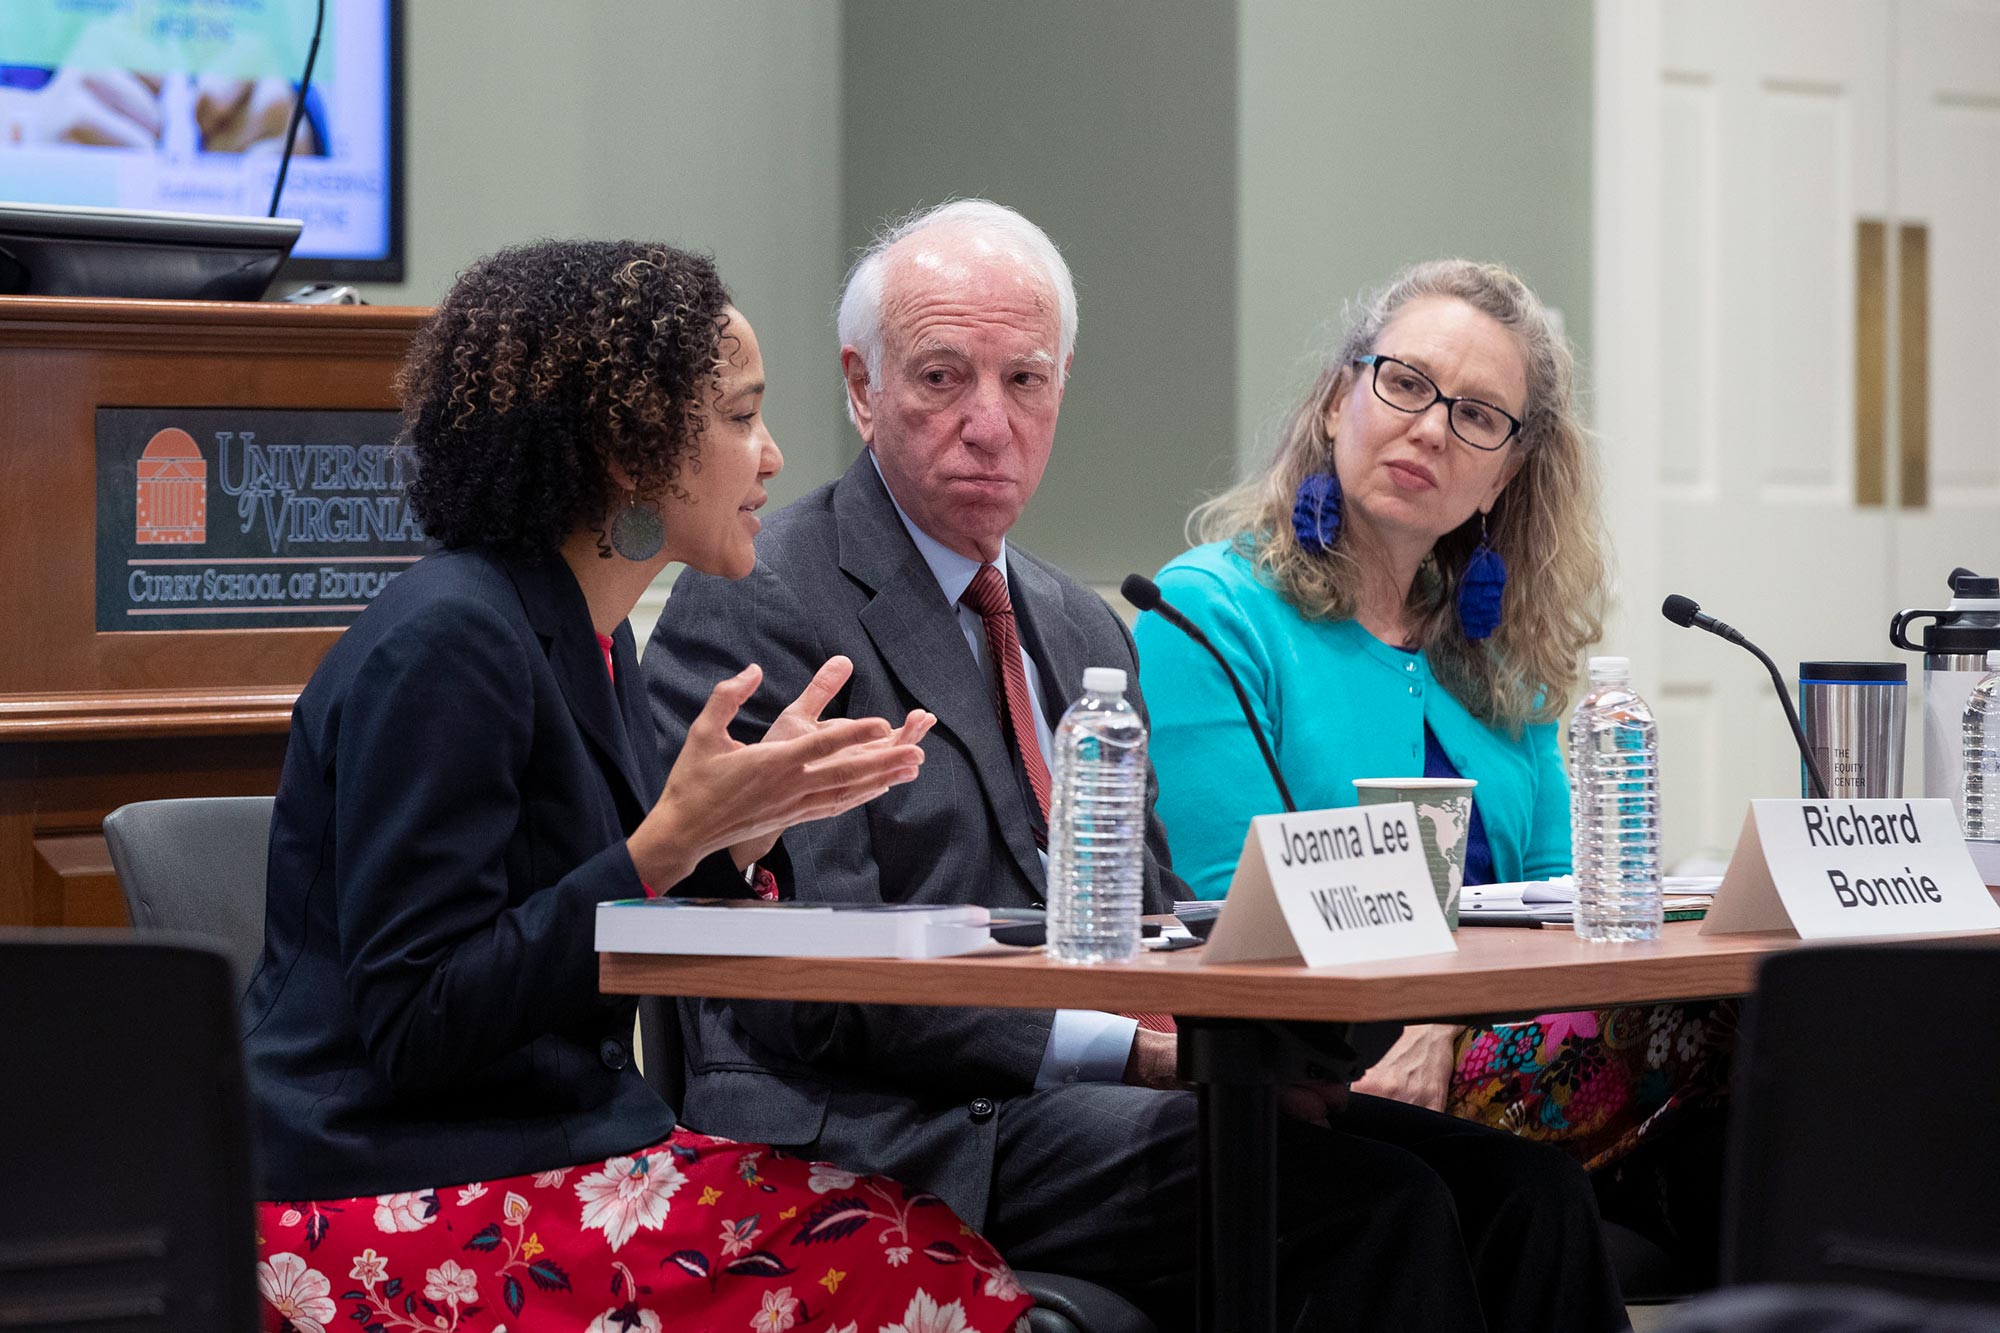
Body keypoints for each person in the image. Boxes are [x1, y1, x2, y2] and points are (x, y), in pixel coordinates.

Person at [647, 201, 1628, 1332]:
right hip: (893, 1120)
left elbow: (1158, 920)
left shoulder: (1080, 624)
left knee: (1527, 1196)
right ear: (861, 387)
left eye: (1024, 381)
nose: (987, 422)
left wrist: (1254, 1046)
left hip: (1096, 1091)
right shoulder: (766, 594)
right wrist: (1144, 1052)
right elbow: (823, 981)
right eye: (939, 378)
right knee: (1378, 1206)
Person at [239, 239, 1033, 1333]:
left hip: (545, 1150)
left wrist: (739, 839)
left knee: (923, 1242)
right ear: (629, 447)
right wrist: (666, 845)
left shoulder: (590, 633)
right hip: (381, 1187)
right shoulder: (448, 642)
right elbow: (417, 1020)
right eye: (741, 417)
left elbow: (573, 911)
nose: (770, 457)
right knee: (920, 1275)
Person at [1136, 258, 1735, 1273]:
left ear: (1505, 471)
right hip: (1320, 1052)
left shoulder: (1498, 657)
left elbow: (1566, 906)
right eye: (1402, 383)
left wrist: (1444, 1022)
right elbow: (1225, 908)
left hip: (1469, 1038)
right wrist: (1421, 1020)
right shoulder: (1209, 610)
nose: (1427, 428)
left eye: (1475, 415)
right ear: (1338, 400)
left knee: (1804, 1026)